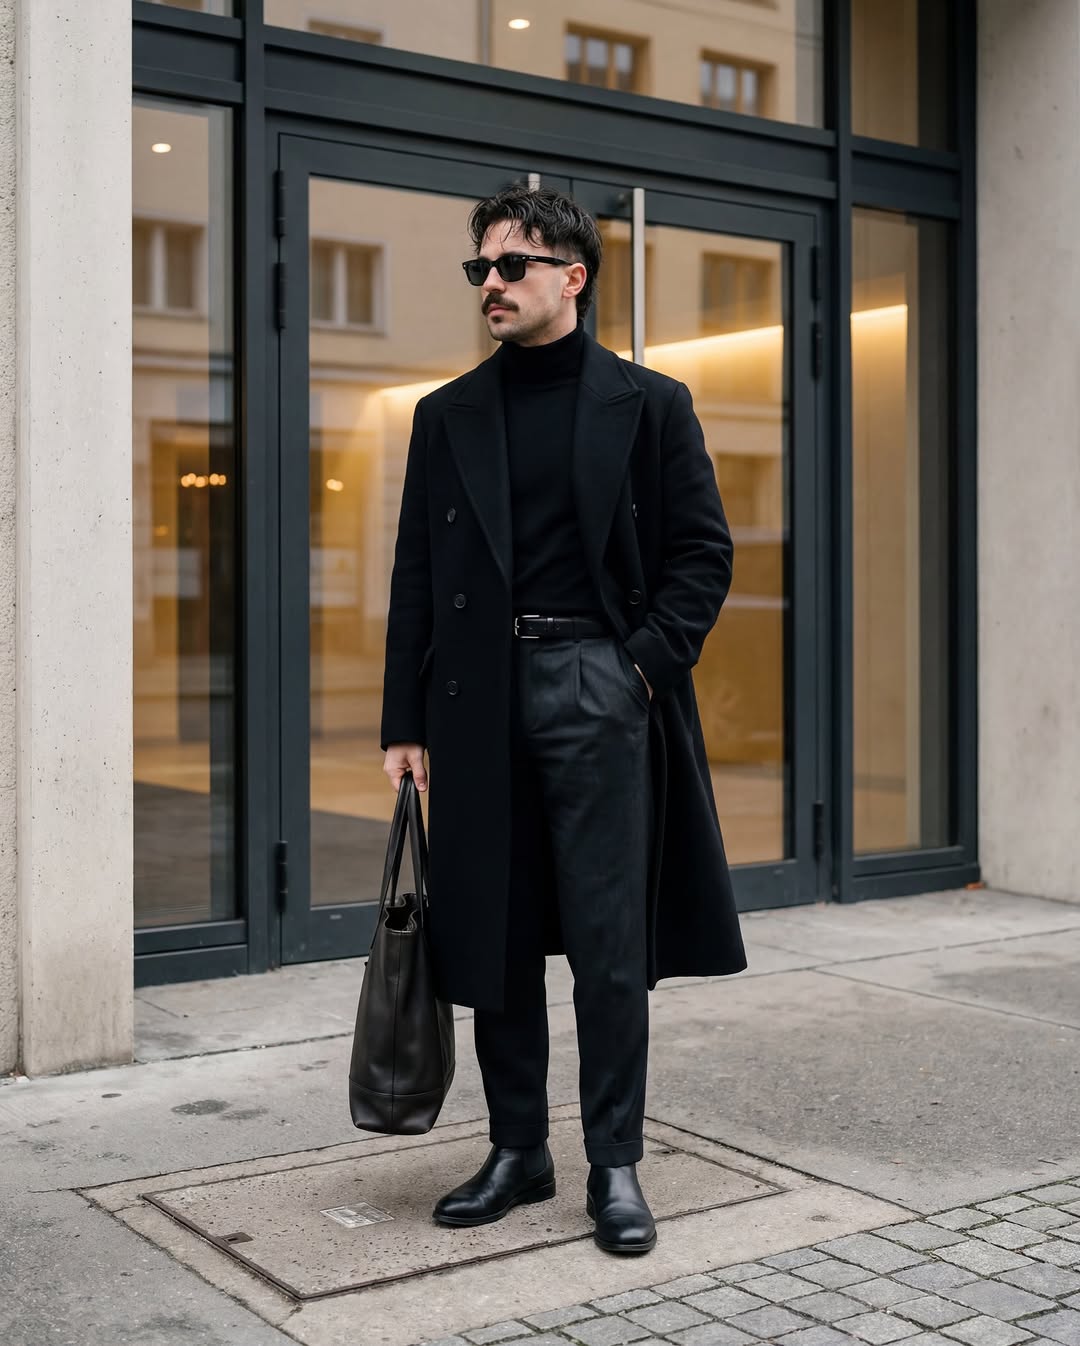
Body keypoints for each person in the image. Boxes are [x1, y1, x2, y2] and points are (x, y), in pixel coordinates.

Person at [380, 185, 745, 1255]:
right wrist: (404, 718)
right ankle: (518, 1150)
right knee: (493, 935)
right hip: (477, 697)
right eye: (480, 269)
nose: (490, 285)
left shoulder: (651, 403)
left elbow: (703, 555)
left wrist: (637, 668)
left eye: (512, 266)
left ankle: (614, 1161)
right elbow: (416, 573)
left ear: (572, 277)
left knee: (605, 939)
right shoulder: (445, 414)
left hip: (598, 684)